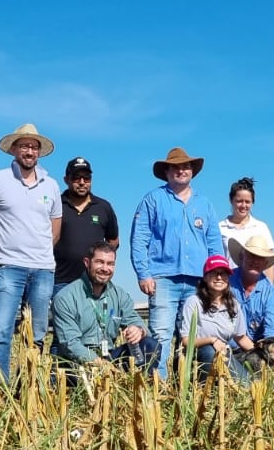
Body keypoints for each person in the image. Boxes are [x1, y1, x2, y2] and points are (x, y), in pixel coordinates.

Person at [0, 123, 62, 379]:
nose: (29, 151)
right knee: (0, 331)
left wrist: (39, 254)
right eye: (24, 146)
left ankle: (30, 387)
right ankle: (0, 389)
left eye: (34, 146)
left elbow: (54, 231)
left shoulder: (51, 185)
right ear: (13, 149)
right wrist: (0, 255)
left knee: (38, 333)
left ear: (40, 152)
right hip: (8, 269)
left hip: (43, 269)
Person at [130, 147, 225, 377]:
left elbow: (214, 245)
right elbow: (139, 238)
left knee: (193, 335)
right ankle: (158, 386)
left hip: (197, 280)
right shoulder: (153, 200)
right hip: (163, 278)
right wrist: (143, 273)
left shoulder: (205, 204)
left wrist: (216, 277)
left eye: (185, 166)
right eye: (175, 167)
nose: (181, 170)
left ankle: (190, 385)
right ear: (167, 172)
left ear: (192, 171)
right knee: (161, 334)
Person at [50, 241, 155, 373]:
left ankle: (143, 389)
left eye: (110, 264)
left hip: (109, 357)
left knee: (150, 345)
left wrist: (139, 330)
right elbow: (70, 344)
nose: (105, 268)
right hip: (77, 363)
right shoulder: (65, 298)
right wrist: (100, 364)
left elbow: (138, 323)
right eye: (100, 262)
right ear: (87, 262)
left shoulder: (119, 295)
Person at [177, 255, 248, 379]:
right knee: (210, 351)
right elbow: (186, 341)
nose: (219, 277)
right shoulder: (193, 302)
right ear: (205, 277)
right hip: (198, 355)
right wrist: (211, 340)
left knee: (247, 385)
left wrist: (262, 352)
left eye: (223, 274)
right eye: (214, 273)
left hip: (223, 353)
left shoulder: (234, 305)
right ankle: (203, 389)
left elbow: (241, 338)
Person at [54, 157, 119, 289]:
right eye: (76, 178)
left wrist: (102, 265)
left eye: (86, 178)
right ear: (66, 180)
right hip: (59, 281)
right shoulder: (56, 204)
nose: (82, 182)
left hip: (93, 282)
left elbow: (113, 240)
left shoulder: (103, 207)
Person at [231, 234, 274, 367]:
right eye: (251, 256)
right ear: (242, 257)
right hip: (229, 347)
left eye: (260, 258)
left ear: (266, 264)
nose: (255, 261)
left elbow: (271, 330)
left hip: (257, 351)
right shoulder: (225, 281)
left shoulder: (270, 292)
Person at [220, 177, 274, 281]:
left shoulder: (261, 227)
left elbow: (269, 263)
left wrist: (269, 287)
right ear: (231, 200)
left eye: (247, 202)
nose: (243, 205)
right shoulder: (220, 228)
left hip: (255, 285)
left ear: (252, 203)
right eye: (239, 201)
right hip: (227, 284)